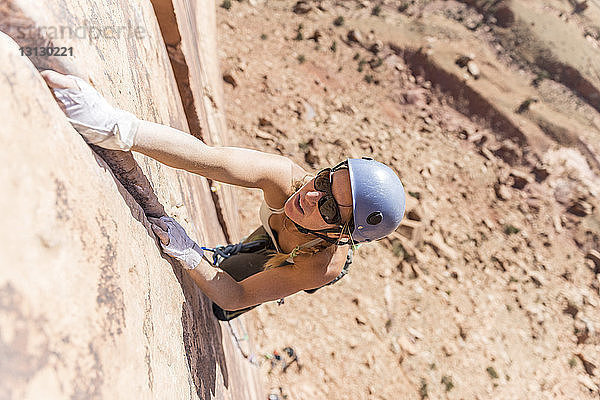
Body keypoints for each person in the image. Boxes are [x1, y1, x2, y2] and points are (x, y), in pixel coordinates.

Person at [41, 70, 406, 320]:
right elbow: (206, 158)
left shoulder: (320, 265)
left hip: (300, 253)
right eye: (326, 179)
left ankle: (245, 257)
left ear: (340, 234)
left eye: (328, 206)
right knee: (253, 248)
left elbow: (237, 296)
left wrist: (190, 256)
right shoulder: (285, 180)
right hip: (287, 236)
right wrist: (116, 126)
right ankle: (242, 252)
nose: (312, 194)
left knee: (220, 307)